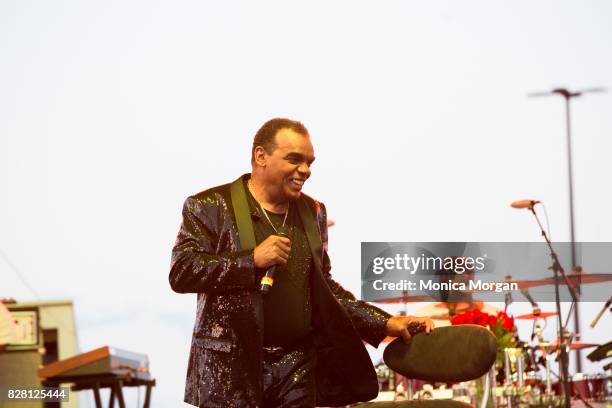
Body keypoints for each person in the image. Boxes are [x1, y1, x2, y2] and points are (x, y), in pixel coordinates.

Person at [169, 118, 434, 408]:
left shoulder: (313, 211)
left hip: (296, 366)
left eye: (309, 162)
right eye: (294, 160)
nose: (305, 170)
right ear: (261, 156)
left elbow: (326, 289)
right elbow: (182, 271)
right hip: (231, 369)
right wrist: (251, 261)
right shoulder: (209, 205)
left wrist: (385, 322)